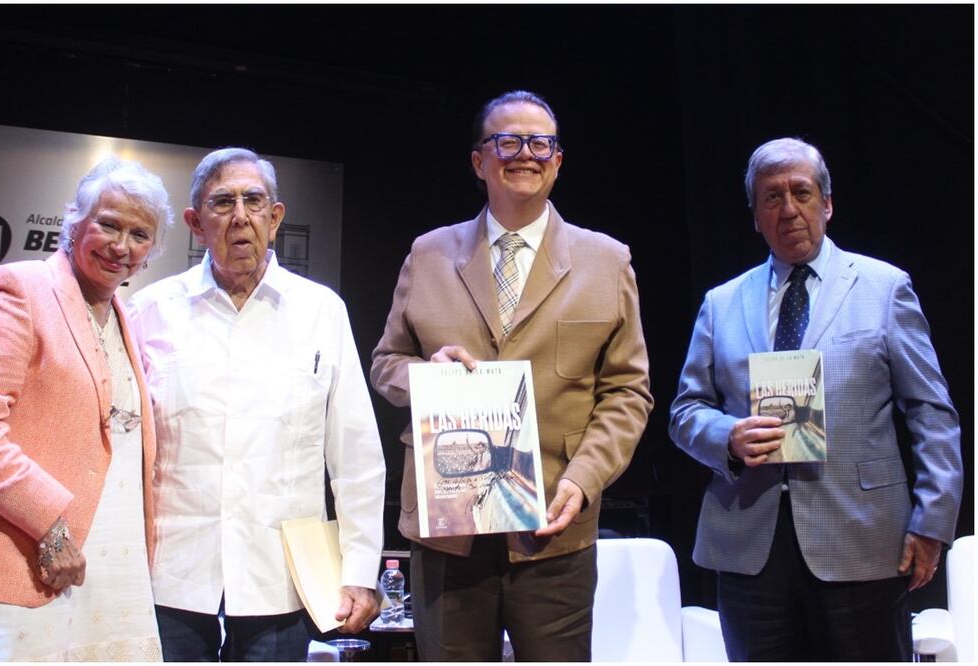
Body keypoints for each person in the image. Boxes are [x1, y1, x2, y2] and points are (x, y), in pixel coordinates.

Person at [370, 90, 653, 661]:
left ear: (558, 160)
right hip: (446, 526)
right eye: (507, 140)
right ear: (479, 161)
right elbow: (385, 364)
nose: (525, 153)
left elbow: (627, 390)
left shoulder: (607, 260)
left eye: (541, 142)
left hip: (553, 525)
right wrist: (428, 374)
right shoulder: (428, 254)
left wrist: (584, 479)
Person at [669, 137, 963, 661]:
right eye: (771, 197)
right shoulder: (721, 302)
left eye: (801, 193)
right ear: (755, 216)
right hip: (750, 545)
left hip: (863, 539)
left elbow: (931, 412)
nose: (789, 209)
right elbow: (685, 411)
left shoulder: (884, 287)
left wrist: (932, 522)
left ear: (827, 203)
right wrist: (727, 438)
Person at [0, 157, 174, 661]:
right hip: (6, 563)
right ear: (74, 221)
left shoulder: (123, 316)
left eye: (139, 234)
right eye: (108, 224)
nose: (121, 246)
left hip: (104, 573)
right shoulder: (18, 287)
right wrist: (52, 527)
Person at [127, 147, 385, 662]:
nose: (240, 216)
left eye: (254, 200)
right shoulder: (149, 310)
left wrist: (359, 571)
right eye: (222, 203)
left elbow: (355, 457)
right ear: (196, 223)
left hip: (282, 580)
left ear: (276, 217)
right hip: (170, 578)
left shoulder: (321, 312)